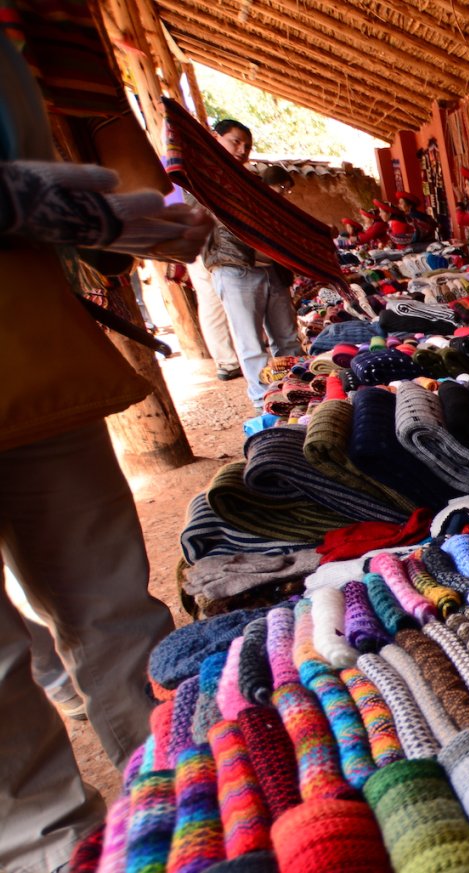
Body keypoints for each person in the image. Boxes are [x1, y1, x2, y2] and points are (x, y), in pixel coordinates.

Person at [1, 33, 210, 871]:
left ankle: (180, 801)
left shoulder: (31, 32)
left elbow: (97, 159)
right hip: (33, 353)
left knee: (118, 615)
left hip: (33, 356)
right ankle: (59, 852)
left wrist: (104, 223)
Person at [201, 118, 302, 410]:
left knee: (287, 339)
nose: (242, 150)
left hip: (273, 270)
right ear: (215, 138)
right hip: (235, 269)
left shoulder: (254, 185)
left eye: (247, 146)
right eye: (235, 142)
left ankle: (295, 393)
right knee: (251, 344)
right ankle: (265, 403)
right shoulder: (201, 182)